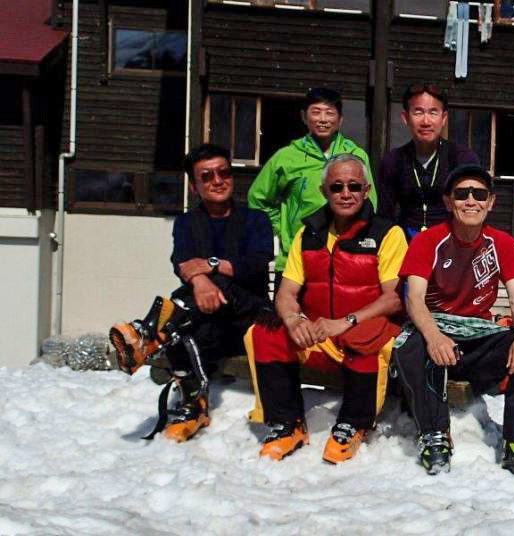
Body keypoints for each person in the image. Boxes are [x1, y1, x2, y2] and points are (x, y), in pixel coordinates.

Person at [245, 153, 407, 464]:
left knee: (366, 336)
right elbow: (286, 291)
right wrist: (293, 319)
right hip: (319, 335)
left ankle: (353, 423)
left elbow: (393, 298)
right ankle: (287, 423)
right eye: (336, 187)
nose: (346, 193)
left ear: (366, 190)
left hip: (359, 332)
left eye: (354, 186)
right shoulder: (308, 233)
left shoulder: (388, 233)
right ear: (324, 192)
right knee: (264, 333)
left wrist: (346, 321)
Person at [392, 163, 514, 479]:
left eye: (479, 194)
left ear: (490, 202)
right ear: (448, 201)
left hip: (478, 337)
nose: (470, 201)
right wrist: (434, 336)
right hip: (437, 335)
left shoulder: (502, 243)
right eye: (461, 194)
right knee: (411, 345)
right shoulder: (428, 240)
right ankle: (435, 434)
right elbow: (415, 299)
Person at [109, 143, 273, 442]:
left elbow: (255, 264)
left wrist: (209, 266)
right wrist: (200, 282)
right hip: (207, 318)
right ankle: (193, 405)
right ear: (195, 187)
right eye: (207, 176)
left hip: (248, 316)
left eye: (223, 173)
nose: (218, 180)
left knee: (205, 294)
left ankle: (149, 334)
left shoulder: (255, 219)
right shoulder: (187, 222)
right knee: (181, 328)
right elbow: (182, 262)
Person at [248, 87, 377, 288]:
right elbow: (258, 199)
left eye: (330, 113)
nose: (323, 119)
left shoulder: (356, 155)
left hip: (345, 256)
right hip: (296, 257)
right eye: (316, 112)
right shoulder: (287, 157)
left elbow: (370, 204)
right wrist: (283, 229)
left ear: (340, 119)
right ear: (304, 117)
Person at [377, 83, 479, 240]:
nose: (426, 121)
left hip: (452, 242)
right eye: (418, 112)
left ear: (444, 118)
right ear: (405, 118)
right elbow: (385, 216)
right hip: (406, 242)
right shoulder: (393, 161)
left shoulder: (462, 159)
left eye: (433, 112)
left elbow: (473, 210)